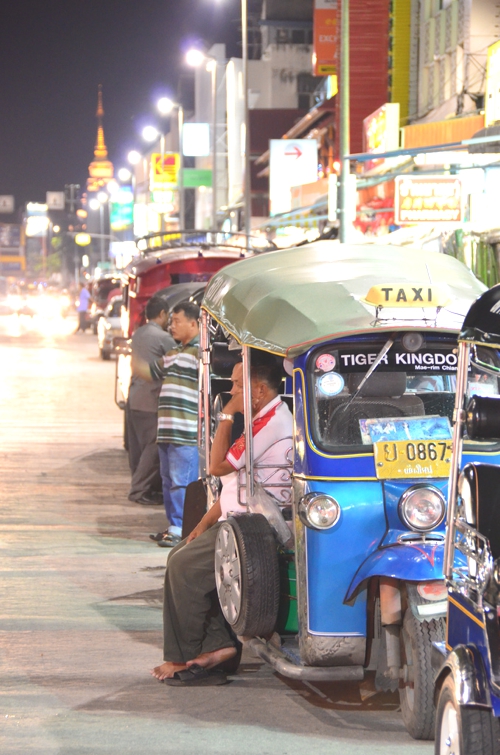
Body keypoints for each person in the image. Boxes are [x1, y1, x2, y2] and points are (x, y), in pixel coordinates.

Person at [150, 358, 293, 685]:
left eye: (238, 386)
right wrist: (203, 522)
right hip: (238, 518)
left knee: (184, 567)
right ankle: (217, 647)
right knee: (179, 556)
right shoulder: (263, 416)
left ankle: (186, 657)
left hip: (257, 527)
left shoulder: (270, 423)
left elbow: (217, 467)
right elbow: (234, 485)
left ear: (258, 390)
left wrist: (226, 415)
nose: (232, 391)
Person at [132, 301, 200, 547]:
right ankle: (174, 525)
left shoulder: (200, 356)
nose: (171, 326)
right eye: (170, 322)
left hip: (185, 432)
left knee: (181, 482)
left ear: (193, 324)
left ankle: (182, 527)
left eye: (177, 321)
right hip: (167, 431)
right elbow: (150, 371)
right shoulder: (172, 354)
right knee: (168, 481)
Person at [127, 295, 175, 505]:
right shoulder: (162, 337)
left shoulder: (138, 333)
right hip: (150, 399)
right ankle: (138, 490)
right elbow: (178, 359)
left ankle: (145, 488)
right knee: (154, 446)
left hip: (135, 397)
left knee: (138, 446)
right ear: (163, 314)